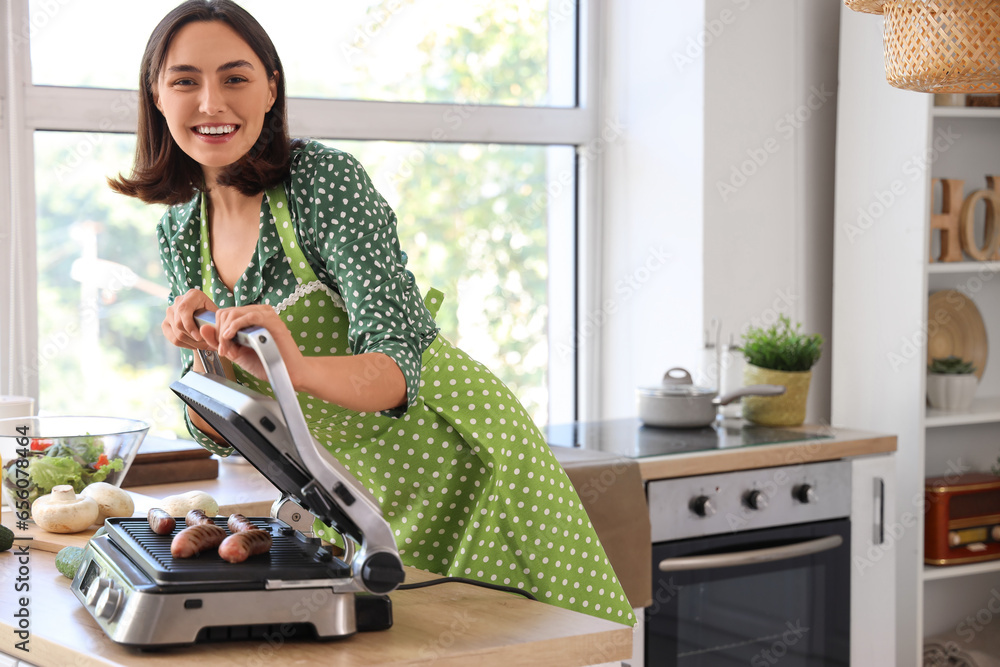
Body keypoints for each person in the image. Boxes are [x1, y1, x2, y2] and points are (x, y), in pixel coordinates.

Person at [110, 0, 633, 625]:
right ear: (157, 94)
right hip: (358, 495)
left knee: (536, 643)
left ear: (271, 88)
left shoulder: (323, 184)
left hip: (465, 463)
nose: (211, 103)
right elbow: (218, 434)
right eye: (185, 81)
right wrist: (204, 359)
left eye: (235, 77)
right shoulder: (179, 231)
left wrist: (292, 365)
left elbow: (394, 374)